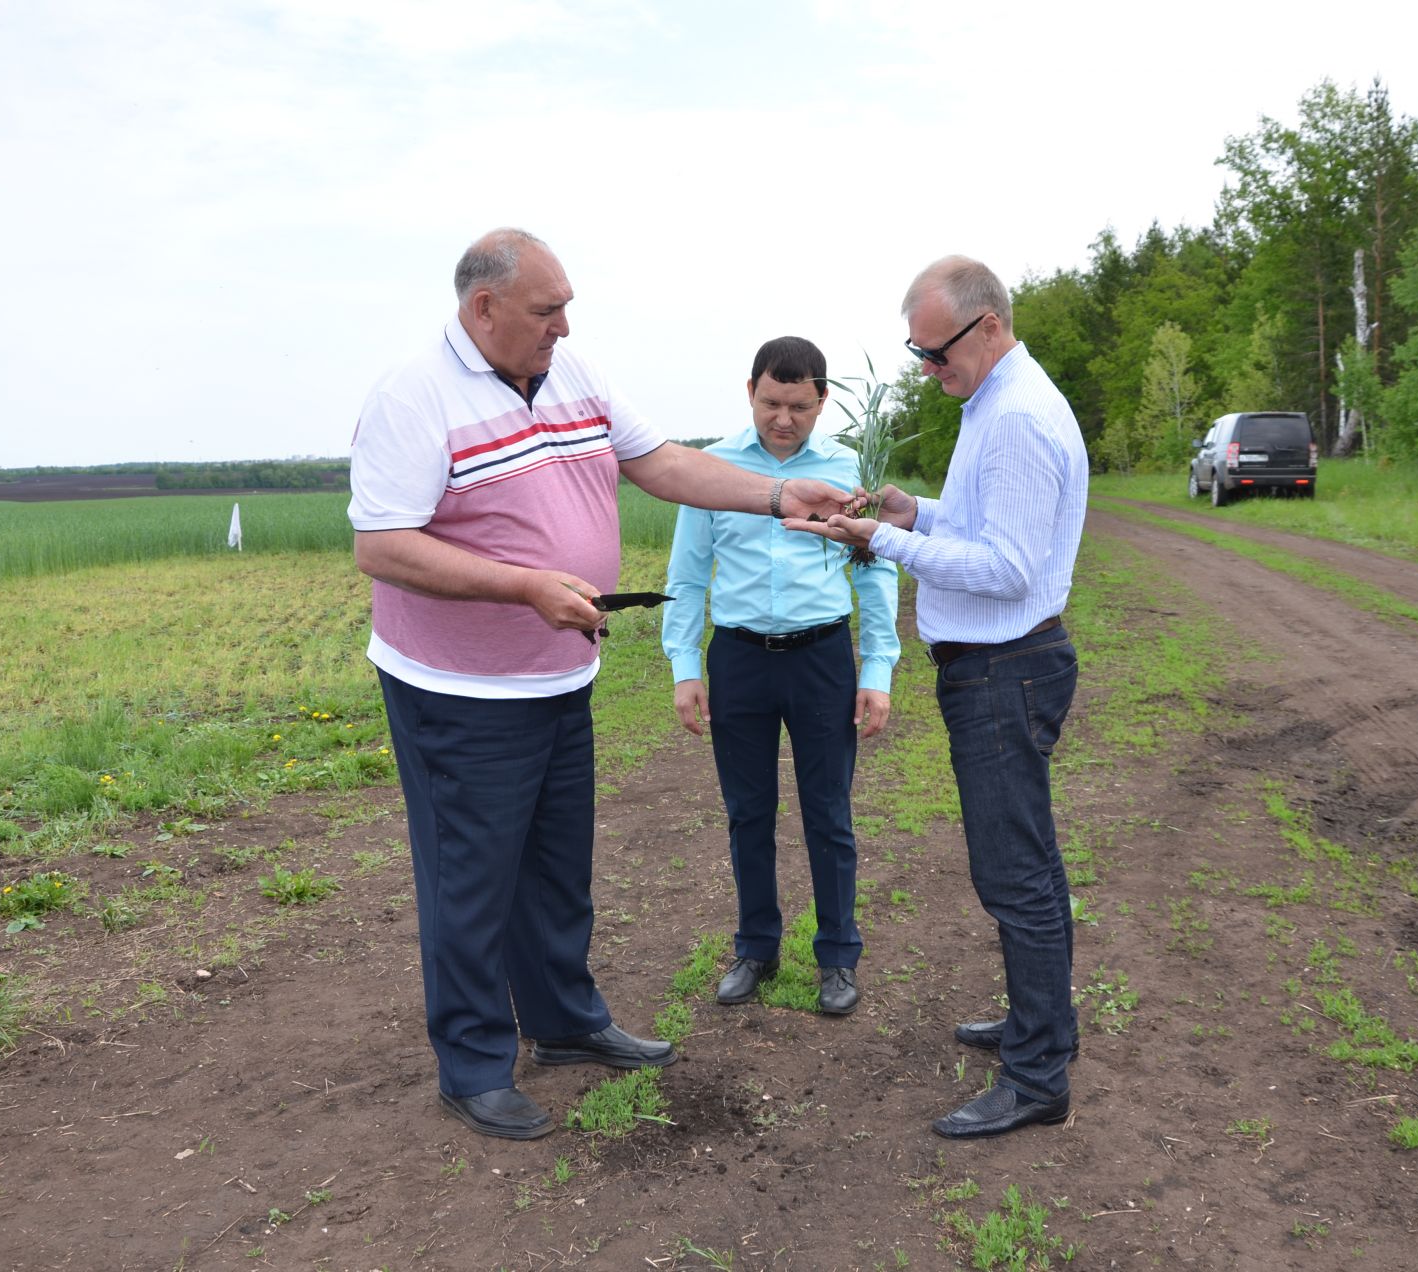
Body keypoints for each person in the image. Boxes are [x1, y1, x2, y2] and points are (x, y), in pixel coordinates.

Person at [347, 228, 852, 1141]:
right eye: (548, 311)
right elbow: (382, 546)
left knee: (554, 867)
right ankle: (471, 1065)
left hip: (557, 679)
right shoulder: (413, 397)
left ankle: (565, 1022)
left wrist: (781, 497)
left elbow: (663, 464)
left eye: (567, 306)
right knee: (470, 880)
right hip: (460, 692)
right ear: (483, 308)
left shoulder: (573, 377)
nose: (564, 326)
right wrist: (524, 585)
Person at [785, 255, 1088, 1139]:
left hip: (1005, 670)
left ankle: (1039, 1080)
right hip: (995, 669)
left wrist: (885, 542)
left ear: (988, 326)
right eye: (915, 354)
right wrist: (917, 512)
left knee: (1016, 876)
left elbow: (1009, 568)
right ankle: (1043, 1026)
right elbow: (986, 522)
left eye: (935, 352)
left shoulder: (1021, 417)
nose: (926, 369)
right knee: (1023, 864)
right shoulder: (993, 402)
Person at [662, 337, 901, 1018]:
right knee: (748, 813)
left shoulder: (852, 469)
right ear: (750, 392)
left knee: (829, 813)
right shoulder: (712, 470)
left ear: (822, 399)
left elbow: (877, 569)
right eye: (771, 402)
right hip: (737, 660)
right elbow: (685, 576)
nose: (784, 418)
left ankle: (837, 959)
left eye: (799, 405)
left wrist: (877, 669)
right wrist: (684, 667)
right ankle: (756, 948)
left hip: (822, 658)